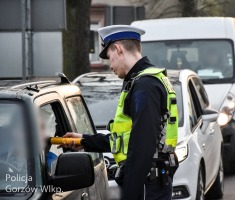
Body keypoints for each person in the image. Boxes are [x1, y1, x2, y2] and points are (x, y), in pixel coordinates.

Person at [59, 25, 179, 200]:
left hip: (145, 187)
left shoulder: (144, 86)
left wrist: (130, 194)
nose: (110, 66)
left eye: (109, 57)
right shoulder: (148, 80)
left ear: (117, 49)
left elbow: (142, 148)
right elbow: (128, 139)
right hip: (151, 183)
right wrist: (85, 141)